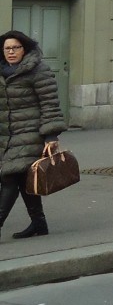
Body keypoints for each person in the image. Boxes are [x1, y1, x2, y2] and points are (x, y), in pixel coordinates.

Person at [0, 30, 67, 239]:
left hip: (31, 135)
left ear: (25, 48)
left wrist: (51, 136)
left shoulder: (38, 71)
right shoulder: (2, 72)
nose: (11, 52)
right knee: (22, 180)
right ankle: (39, 223)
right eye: (7, 48)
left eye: (15, 47)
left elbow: (50, 104)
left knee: (9, 177)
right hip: (7, 136)